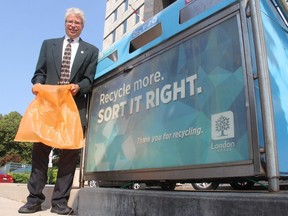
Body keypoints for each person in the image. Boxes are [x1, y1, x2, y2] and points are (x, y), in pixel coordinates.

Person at [18, 8, 99, 215]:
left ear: (82, 26)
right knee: (40, 154)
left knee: (69, 157)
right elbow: (40, 73)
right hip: (48, 108)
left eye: (77, 23)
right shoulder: (48, 45)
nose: (73, 25)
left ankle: (60, 203)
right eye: (70, 21)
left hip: (72, 108)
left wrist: (79, 87)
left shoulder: (91, 51)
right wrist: (37, 84)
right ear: (65, 24)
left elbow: (89, 80)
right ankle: (34, 200)